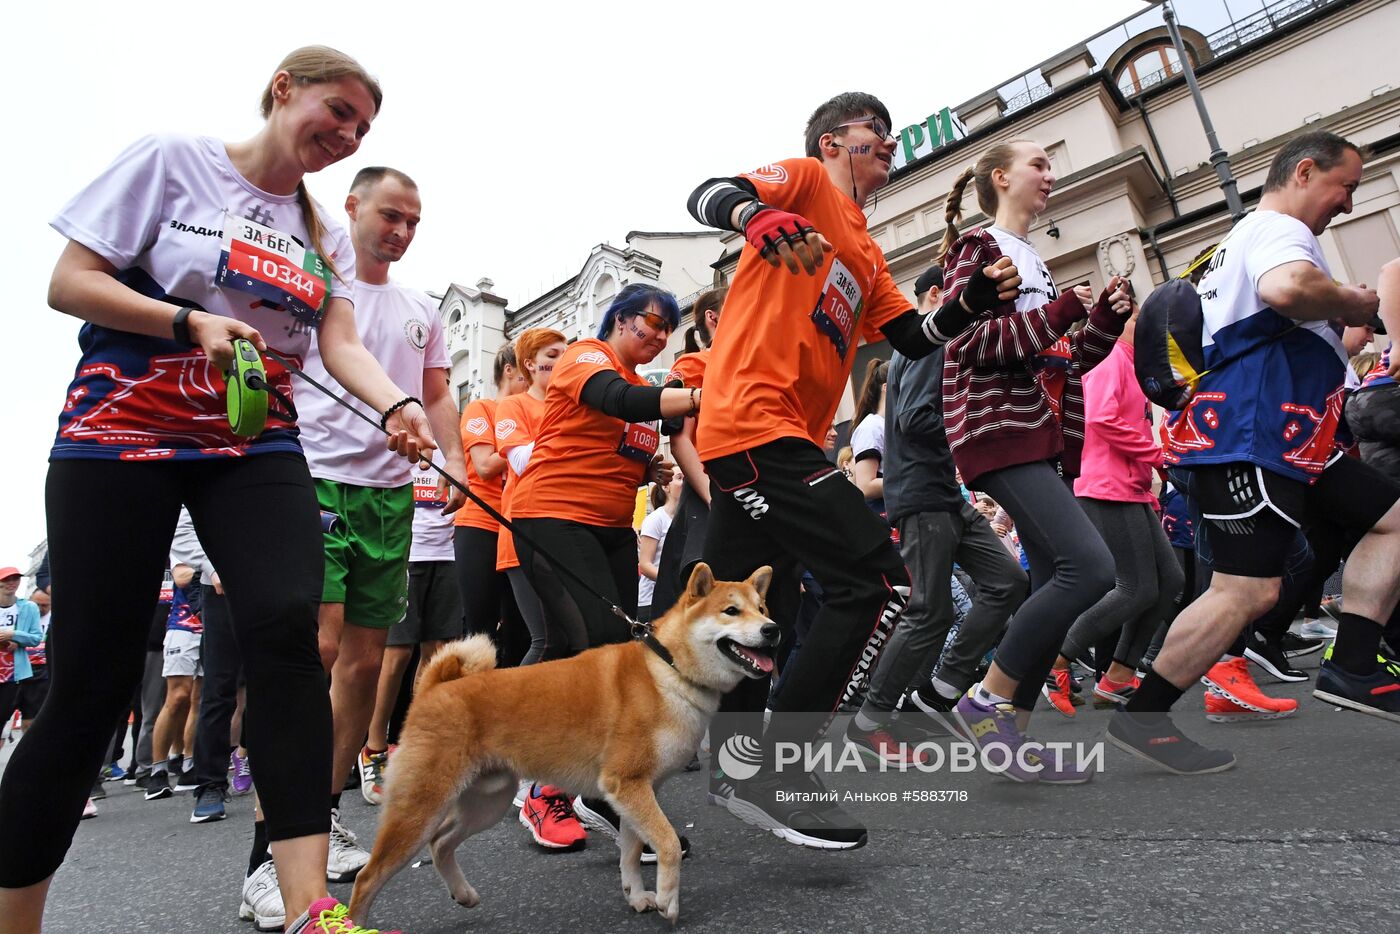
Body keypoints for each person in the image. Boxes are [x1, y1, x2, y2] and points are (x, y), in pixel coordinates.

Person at [0, 46, 431, 934]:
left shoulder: (319, 229)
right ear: (284, 89)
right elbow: (67, 283)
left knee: (286, 636)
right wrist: (186, 318)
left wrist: (399, 406)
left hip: (253, 440)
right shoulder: (174, 159)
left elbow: (338, 344)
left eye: (361, 127)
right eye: (337, 110)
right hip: (121, 429)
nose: (346, 134)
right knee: (89, 681)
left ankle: (312, 907)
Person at [684, 91, 1021, 849]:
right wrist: (756, 217)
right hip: (753, 426)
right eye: (880, 131)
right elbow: (708, 193)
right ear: (836, 143)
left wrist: (967, 303)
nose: (893, 142)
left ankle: (717, 766)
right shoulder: (803, 179)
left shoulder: (865, 251)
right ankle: (776, 767)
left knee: (742, 617)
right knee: (877, 583)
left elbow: (911, 334)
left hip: (782, 438)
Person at [1112, 131, 1400, 774]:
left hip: (1287, 439)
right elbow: (1288, 290)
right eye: (1345, 187)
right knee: (1245, 591)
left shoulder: (1238, 241)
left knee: (1394, 518)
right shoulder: (1278, 228)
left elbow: (1284, 323)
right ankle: (1144, 714)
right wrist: (1355, 299)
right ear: (1305, 172)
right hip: (1252, 435)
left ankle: (1354, 663)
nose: (1348, 204)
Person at [938, 139, 1129, 782]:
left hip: (1040, 433)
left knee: (1055, 582)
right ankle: (987, 698)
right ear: (1001, 178)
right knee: (1091, 567)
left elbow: (1063, 360)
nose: (1050, 173)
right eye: (1039, 164)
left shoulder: (1032, 261)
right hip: (1000, 430)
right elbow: (971, 346)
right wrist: (1062, 310)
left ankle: (1010, 738)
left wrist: (1099, 320)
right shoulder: (980, 249)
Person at [296, 164, 464, 884]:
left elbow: (437, 392)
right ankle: (289, 828)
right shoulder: (312, 284)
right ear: (354, 206)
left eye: (413, 222)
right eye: (389, 215)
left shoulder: (419, 308)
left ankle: (326, 814)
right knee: (322, 649)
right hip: (315, 479)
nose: (400, 231)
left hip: (391, 493)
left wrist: (453, 458)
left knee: (364, 664)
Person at [508, 283, 696, 853]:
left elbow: (616, 448)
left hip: (611, 529)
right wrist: (700, 395)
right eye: (650, 322)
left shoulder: (646, 386)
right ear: (617, 318)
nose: (660, 335)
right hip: (552, 518)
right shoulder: (587, 357)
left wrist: (652, 473)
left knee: (615, 656)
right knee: (597, 648)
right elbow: (620, 401)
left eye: (668, 328)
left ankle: (598, 787)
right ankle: (551, 790)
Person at [845, 266, 1029, 761]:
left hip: (945, 494)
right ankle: (869, 722)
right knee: (929, 610)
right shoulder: (927, 342)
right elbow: (917, 418)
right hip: (922, 497)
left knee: (1008, 581)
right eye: (969, 295)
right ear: (935, 296)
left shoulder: (942, 345)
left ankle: (939, 690)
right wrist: (976, 421)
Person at [1042, 303, 1185, 716]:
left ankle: (1118, 677)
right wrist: (1158, 455)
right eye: (1145, 320)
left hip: (1130, 487)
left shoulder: (1135, 364)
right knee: (1135, 587)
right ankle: (1057, 661)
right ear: (1127, 324)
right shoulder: (1110, 359)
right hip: (1104, 486)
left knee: (1169, 580)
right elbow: (1102, 419)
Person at [360, 449, 464, 806]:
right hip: (406, 553)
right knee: (396, 656)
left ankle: (415, 745)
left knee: (436, 656)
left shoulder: (451, 441)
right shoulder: (399, 426)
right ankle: (373, 749)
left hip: (447, 555)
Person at [494, 328, 570, 669]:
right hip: (524, 535)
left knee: (570, 642)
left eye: (565, 355)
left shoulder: (572, 407)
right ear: (529, 365)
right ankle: (506, 719)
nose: (561, 362)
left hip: (567, 533)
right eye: (551, 356)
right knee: (546, 641)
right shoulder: (513, 405)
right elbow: (522, 461)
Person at [652, 286, 726, 618]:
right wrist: (711, 496)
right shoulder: (692, 364)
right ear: (713, 317)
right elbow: (680, 440)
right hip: (710, 492)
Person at [454, 343, 528, 664]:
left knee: (521, 631)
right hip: (480, 524)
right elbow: (483, 465)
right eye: (527, 371)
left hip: (518, 527)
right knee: (479, 630)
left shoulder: (530, 412)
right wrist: (521, 445)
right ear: (508, 369)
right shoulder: (480, 409)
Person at [143, 553, 205, 802]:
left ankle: (189, 764)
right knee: (177, 697)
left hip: (210, 624)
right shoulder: (185, 532)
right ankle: (158, 770)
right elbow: (181, 577)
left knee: (198, 699)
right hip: (182, 625)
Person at [0, 569, 42, 738]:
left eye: (16, 578)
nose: (12, 582)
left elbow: (35, 639)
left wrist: (14, 637)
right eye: (7, 579)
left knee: (2, 716)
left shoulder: (28, 607)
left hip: (13, 675)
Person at [638, 474, 684, 622]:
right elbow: (645, 565)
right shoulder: (655, 519)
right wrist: (674, 581)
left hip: (679, 599)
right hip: (652, 601)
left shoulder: (688, 519)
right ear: (666, 487)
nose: (684, 482)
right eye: (679, 478)